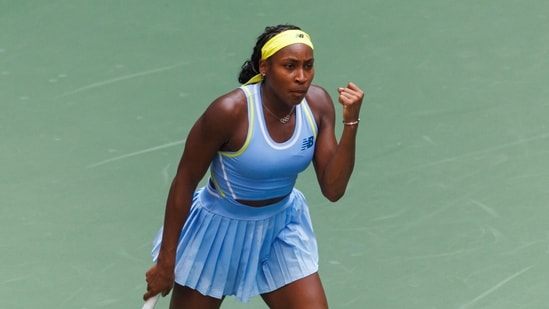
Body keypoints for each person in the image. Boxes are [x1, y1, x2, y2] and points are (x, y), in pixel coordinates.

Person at [143, 24, 364, 309]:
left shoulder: (318, 105)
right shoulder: (229, 112)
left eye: (308, 66)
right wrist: (166, 261)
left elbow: (333, 189)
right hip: (216, 235)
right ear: (265, 67)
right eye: (290, 66)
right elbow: (184, 181)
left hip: (280, 232)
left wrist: (351, 124)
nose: (301, 77)